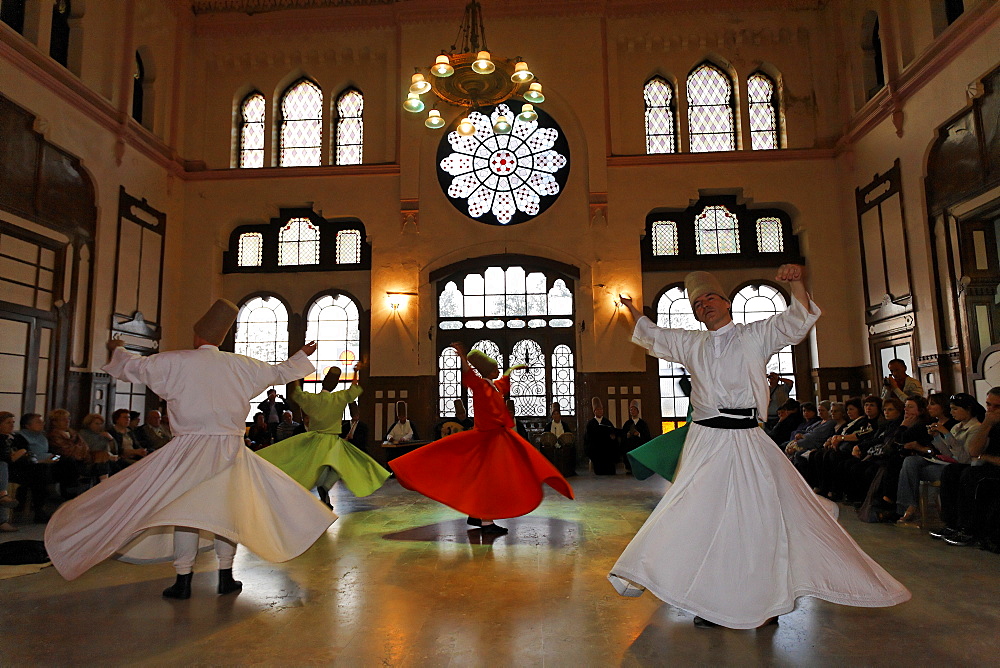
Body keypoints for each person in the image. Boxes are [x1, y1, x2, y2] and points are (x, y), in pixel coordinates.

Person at [608, 266, 909, 629]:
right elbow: (653, 334)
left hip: (747, 438)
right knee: (703, 517)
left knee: (757, 518)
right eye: (697, 303)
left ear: (728, 303)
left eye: (710, 299)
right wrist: (630, 308)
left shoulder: (755, 335)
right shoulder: (691, 343)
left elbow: (796, 319)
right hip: (705, 441)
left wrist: (797, 281)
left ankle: (764, 602)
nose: (704, 306)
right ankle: (712, 599)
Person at [44, 299, 335, 600]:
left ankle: (183, 580)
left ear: (197, 336)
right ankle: (226, 576)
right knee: (226, 513)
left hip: (188, 450)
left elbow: (132, 367)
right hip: (230, 449)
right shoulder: (242, 365)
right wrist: (303, 354)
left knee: (186, 513)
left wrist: (117, 347)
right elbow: (280, 372)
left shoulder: (175, 361)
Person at [390, 343, 574, 535]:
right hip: (487, 440)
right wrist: (463, 358)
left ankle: (477, 515)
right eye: (495, 368)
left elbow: (505, 379)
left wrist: (515, 368)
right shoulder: (479, 386)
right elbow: (470, 374)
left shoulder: (494, 386)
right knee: (488, 480)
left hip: (494, 439)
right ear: (489, 371)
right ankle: (486, 522)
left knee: (483, 479)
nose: (498, 370)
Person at [258, 362, 389, 509]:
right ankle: (325, 486)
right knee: (338, 465)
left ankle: (322, 489)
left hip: (314, 439)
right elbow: (353, 390)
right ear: (335, 384)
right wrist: (355, 372)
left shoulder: (312, 399)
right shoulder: (338, 398)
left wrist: (296, 376)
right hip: (333, 440)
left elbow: (298, 393)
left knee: (316, 467)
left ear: (322, 383)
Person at [895, 393, 983, 525]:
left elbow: (963, 458)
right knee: (910, 461)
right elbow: (947, 452)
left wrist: (946, 434)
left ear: (968, 409)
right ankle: (908, 506)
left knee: (911, 470)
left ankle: (910, 508)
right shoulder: (957, 427)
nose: (952, 412)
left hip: (959, 467)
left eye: (955, 409)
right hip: (946, 462)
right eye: (951, 409)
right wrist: (936, 437)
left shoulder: (975, 428)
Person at [585, 397, 621, 475]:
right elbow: (588, 438)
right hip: (596, 449)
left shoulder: (606, 422)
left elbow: (612, 431)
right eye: (598, 409)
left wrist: (613, 437)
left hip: (607, 448)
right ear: (594, 411)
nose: (600, 411)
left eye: (601, 409)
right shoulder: (591, 424)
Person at [78, 413, 117, 482]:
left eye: (101, 424)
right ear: (89, 424)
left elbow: (115, 450)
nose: (99, 426)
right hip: (88, 460)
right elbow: (92, 448)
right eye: (96, 424)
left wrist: (111, 439)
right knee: (101, 456)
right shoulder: (83, 433)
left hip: (104, 459)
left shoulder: (103, 434)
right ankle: (104, 482)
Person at [620, 400, 651, 475]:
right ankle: (629, 468)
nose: (632, 411)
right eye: (631, 410)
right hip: (629, 445)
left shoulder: (643, 423)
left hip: (639, 444)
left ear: (638, 411)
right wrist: (627, 435)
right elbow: (623, 435)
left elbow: (647, 436)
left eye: (634, 409)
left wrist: (639, 434)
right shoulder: (627, 423)